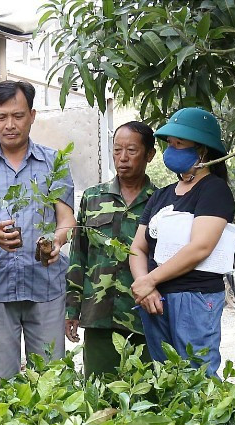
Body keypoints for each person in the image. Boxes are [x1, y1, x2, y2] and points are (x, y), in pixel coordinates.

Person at [0, 80, 76, 383]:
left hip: (45, 285)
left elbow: (66, 219)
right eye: (1, 117)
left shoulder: (54, 162)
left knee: (51, 382)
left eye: (18, 116)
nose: (10, 125)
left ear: (32, 116)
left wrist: (57, 240)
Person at [129, 107, 235, 376]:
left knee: (197, 376)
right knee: (166, 378)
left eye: (180, 144)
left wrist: (150, 280)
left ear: (202, 150)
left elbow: (200, 246)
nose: (172, 150)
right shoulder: (161, 196)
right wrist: (146, 288)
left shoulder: (214, 190)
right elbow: (138, 247)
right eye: (170, 143)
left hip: (196, 298)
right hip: (155, 300)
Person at [66, 121, 157, 376]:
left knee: (145, 396)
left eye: (132, 150)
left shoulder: (160, 202)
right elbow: (78, 255)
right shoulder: (93, 198)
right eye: (117, 150)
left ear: (150, 154)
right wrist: (71, 308)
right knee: (99, 395)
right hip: (99, 315)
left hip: (144, 317)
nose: (123, 158)